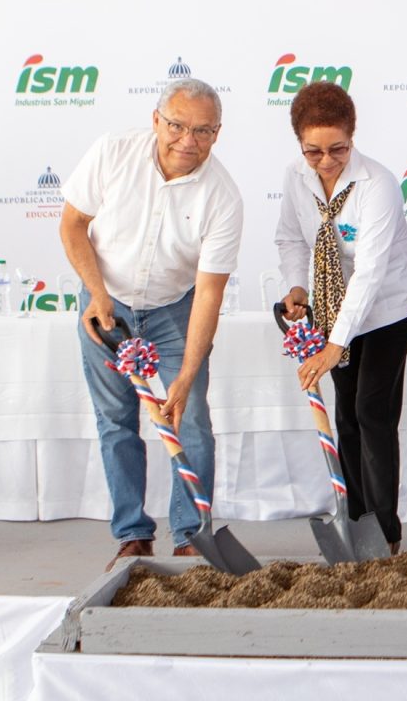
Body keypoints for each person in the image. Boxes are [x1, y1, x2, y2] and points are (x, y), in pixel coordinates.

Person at [59, 78, 243, 570]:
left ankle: (190, 535)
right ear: (156, 120)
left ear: (218, 134)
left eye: (203, 131)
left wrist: (184, 376)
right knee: (116, 420)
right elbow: (73, 224)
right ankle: (133, 535)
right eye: (178, 125)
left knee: (193, 419)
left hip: (174, 307)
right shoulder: (112, 153)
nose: (188, 140)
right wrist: (97, 293)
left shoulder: (223, 197)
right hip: (106, 301)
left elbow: (208, 292)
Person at [275, 81, 407, 555]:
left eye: (337, 148)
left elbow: (371, 272)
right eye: (313, 150)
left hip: (389, 307)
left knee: (371, 411)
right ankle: (356, 519)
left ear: (353, 135)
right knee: (346, 415)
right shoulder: (295, 178)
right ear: (299, 141)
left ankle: (387, 532)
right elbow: (291, 239)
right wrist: (298, 288)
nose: (325, 161)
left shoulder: (377, 184)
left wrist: (334, 345)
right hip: (333, 305)